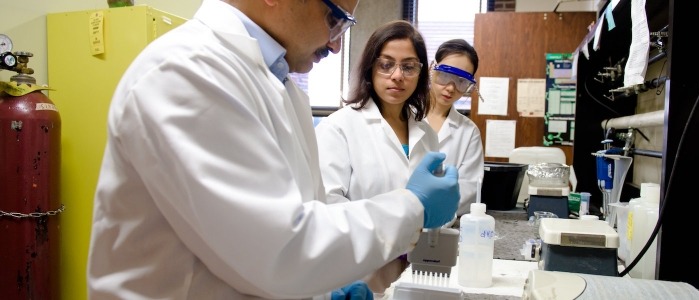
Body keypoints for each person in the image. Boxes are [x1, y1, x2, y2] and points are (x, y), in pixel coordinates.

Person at [85, 0, 460, 299]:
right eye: (334, 18)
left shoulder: (279, 86)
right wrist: (413, 206)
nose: (335, 43)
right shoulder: (186, 72)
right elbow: (280, 250)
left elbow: (301, 215)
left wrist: (324, 288)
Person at [313, 20, 441, 294]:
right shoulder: (339, 128)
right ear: (370, 68)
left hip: (418, 273)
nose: (397, 75)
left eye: (409, 66)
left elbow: (436, 206)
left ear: (420, 73)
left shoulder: (426, 134)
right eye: (386, 64)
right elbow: (328, 209)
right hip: (358, 273)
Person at [426, 39, 485, 216]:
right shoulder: (403, 115)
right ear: (431, 70)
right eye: (444, 76)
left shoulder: (469, 132)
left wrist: (429, 211)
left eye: (461, 81)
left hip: (440, 221)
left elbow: (469, 188)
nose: (450, 88)